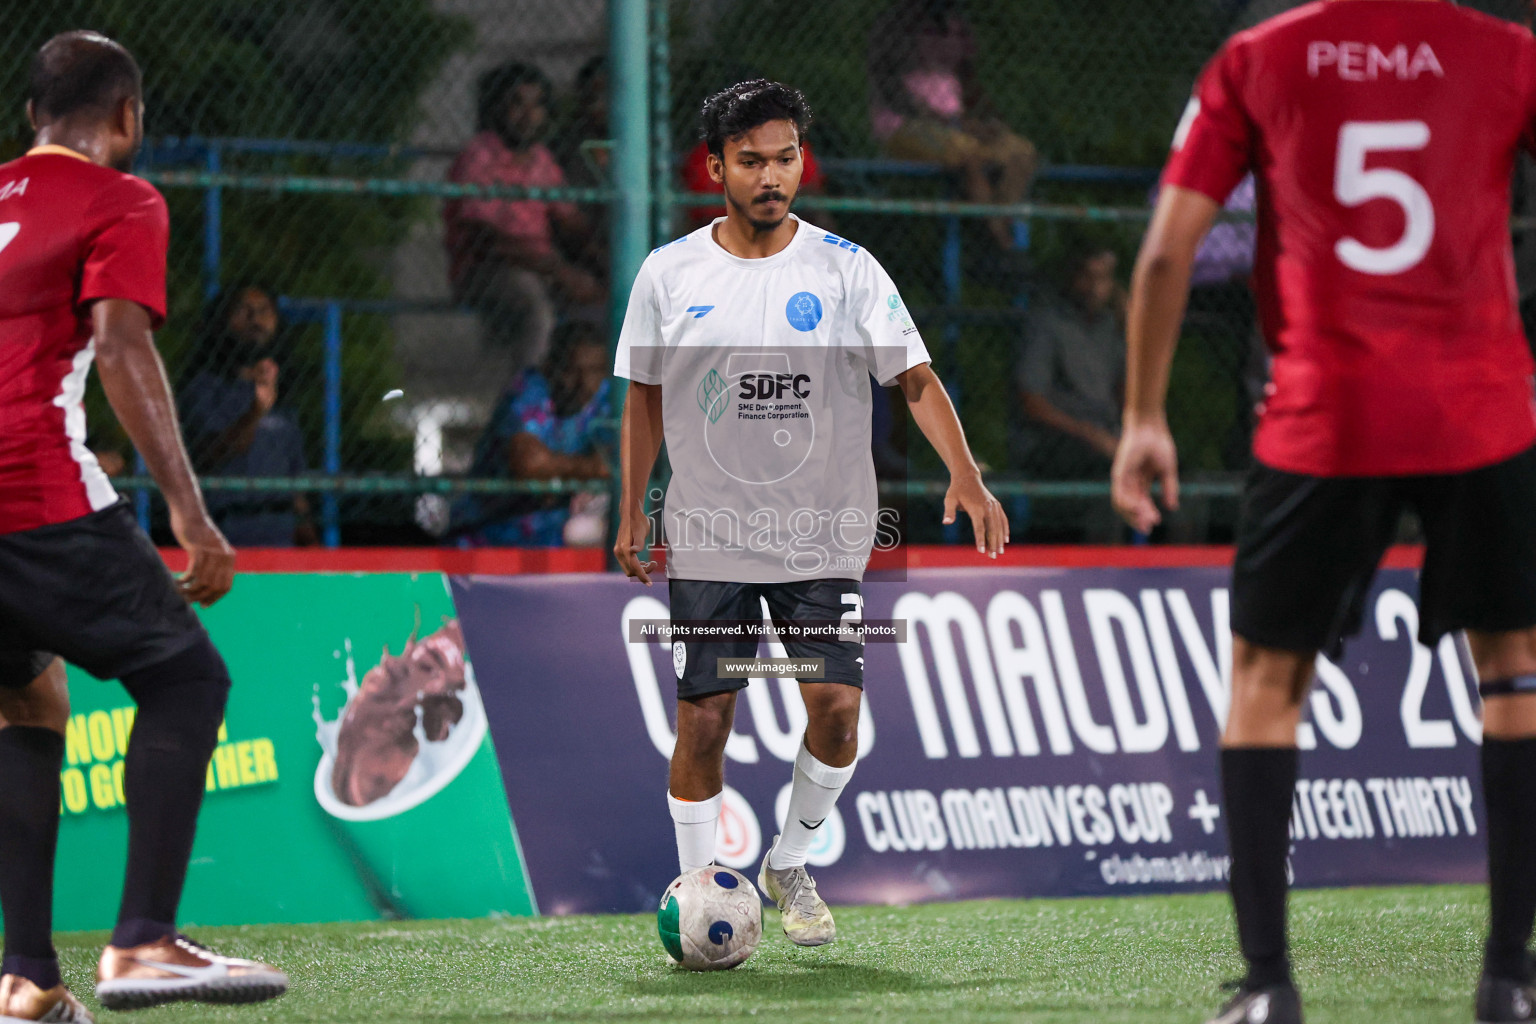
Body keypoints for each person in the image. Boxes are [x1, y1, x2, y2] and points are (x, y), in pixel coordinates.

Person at [1113, 4, 1536, 1022]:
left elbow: (1171, 252)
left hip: (1324, 415)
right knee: (1516, 670)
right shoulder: (1511, 54)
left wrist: (1140, 416)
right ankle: (1512, 979)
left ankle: (1268, 987)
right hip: (1479, 409)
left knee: (1265, 681)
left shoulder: (1259, 58)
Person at [613, 79, 1006, 948]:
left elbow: (916, 379)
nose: (770, 175)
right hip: (711, 535)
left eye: (784, 157)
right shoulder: (668, 274)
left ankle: (789, 862)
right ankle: (696, 886)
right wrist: (635, 505)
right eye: (750, 159)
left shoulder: (847, 269)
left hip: (822, 535)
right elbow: (642, 397)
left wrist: (966, 474)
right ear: (716, 167)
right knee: (706, 718)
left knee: (833, 709)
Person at [0, 31, 287, 1022]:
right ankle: (144, 941)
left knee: (29, 702)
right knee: (187, 678)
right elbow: (122, 349)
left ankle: (29, 977)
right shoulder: (124, 200)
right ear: (126, 117)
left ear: (31, 115)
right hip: (34, 490)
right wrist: (190, 509)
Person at [445, 62, 604, 382]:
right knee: (537, 312)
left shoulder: (540, 158)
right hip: (489, 269)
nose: (528, 114)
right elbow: (488, 240)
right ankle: (524, 406)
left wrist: (605, 262)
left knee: (607, 304)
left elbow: (570, 221)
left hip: (541, 266)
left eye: (537, 105)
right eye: (517, 103)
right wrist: (560, 271)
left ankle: (594, 406)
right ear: (496, 107)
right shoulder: (480, 155)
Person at [867, 0, 1038, 254]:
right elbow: (895, 92)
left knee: (1021, 151)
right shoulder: (895, 26)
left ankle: (996, 222)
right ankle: (998, 243)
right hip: (907, 127)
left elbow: (969, 80)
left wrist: (987, 123)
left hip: (958, 127)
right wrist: (954, 124)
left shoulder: (955, 23)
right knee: (967, 152)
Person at [178, 284, 315, 547]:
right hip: (224, 534)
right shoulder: (204, 388)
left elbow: (295, 481)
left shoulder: (284, 391)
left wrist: (309, 539)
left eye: (264, 311)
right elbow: (209, 455)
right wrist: (255, 412)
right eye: (244, 310)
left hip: (280, 538)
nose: (256, 319)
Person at [455, 321, 612, 547]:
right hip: (493, 532)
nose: (584, 384)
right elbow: (530, 464)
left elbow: (621, 459)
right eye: (572, 371)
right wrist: (590, 469)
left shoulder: (606, 394)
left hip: (560, 530)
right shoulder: (530, 389)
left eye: (595, 371)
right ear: (552, 367)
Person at [1015, 244, 1125, 479]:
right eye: (1088, 277)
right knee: (1102, 466)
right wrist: (1090, 434)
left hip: (1109, 434)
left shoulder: (1111, 326)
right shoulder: (1047, 324)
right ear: (1073, 277)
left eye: (1104, 279)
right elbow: (1032, 404)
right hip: (1058, 440)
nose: (1095, 288)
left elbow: (1125, 392)